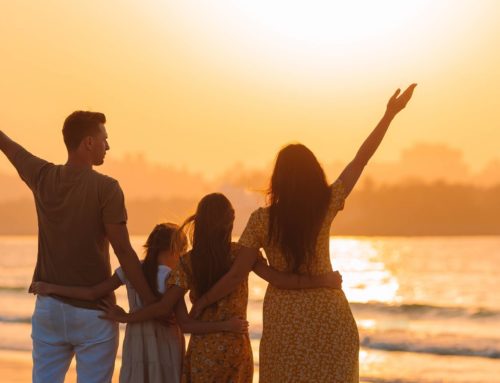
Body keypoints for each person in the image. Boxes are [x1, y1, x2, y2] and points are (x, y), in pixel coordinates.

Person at [190, 84, 417, 382]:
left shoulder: (262, 220)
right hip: (330, 316)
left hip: (286, 322)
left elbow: (235, 276)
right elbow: (360, 160)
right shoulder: (326, 205)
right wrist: (389, 115)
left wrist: (202, 302)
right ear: (313, 173)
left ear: (278, 179)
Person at [100, 193, 343, 382]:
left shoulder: (188, 262)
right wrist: (323, 280)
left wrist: (127, 317)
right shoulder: (242, 255)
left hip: (203, 356)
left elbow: (174, 316)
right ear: (231, 222)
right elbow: (279, 280)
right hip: (237, 353)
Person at [0, 111, 157, 383]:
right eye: (104, 139)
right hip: (93, 315)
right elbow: (123, 250)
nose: (107, 146)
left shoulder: (43, 176)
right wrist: (151, 303)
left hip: (49, 309)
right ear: (88, 142)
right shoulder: (106, 188)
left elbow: (8, 146)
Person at [30, 222, 248, 383]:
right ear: (176, 250)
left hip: (136, 342)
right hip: (166, 345)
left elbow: (92, 292)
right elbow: (182, 321)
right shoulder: (174, 277)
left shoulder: (131, 270)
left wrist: (51, 288)